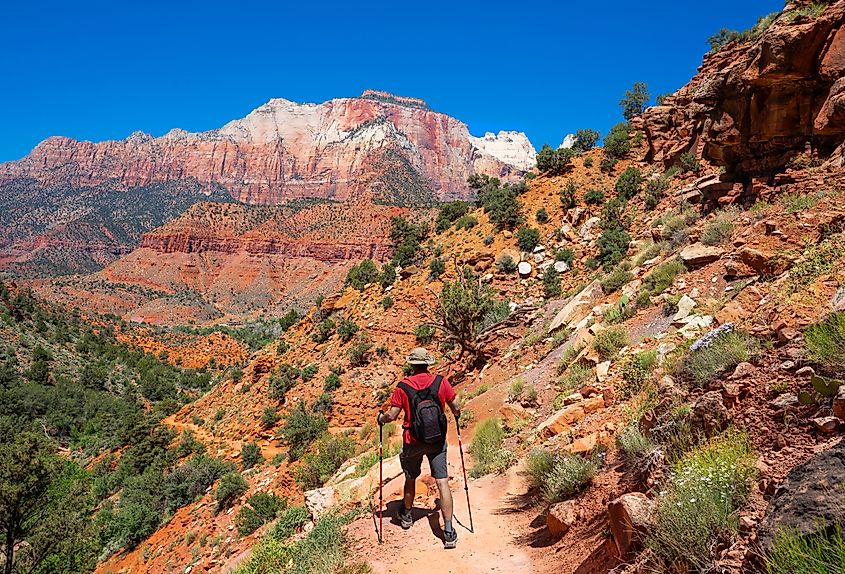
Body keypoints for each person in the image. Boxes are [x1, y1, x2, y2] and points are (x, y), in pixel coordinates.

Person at [377, 347, 461, 549]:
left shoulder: (403, 386)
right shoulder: (441, 382)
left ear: (412, 365)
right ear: (427, 364)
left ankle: (407, 515)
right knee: (442, 482)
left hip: (412, 441)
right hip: (437, 441)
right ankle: (449, 531)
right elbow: (456, 406)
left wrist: (381, 418)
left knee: (410, 477)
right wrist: (456, 414)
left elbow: (392, 415)